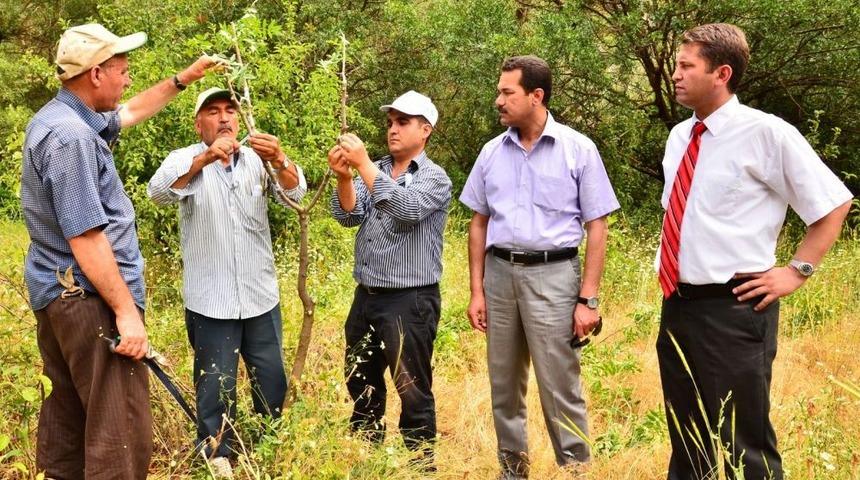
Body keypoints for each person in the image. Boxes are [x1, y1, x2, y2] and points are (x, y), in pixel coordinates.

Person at [655, 23, 853, 480]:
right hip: (678, 305)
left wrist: (797, 270)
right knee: (688, 441)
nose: (676, 75)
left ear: (721, 73)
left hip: (735, 308)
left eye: (686, 66)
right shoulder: (680, 136)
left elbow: (833, 204)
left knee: (744, 447)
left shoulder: (766, 133)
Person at [20, 23, 216, 479]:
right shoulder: (71, 138)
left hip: (61, 297)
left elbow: (129, 112)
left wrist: (183, 79)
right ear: (95, 74)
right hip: (92, 302)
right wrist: (126, 314)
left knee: (68, 423)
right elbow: (87, 237)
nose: (128, 79)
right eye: (122, 70)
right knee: (119, 436)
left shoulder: (59, 118)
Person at [460, 55, 620, 478]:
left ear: (536, 95)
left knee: (559, 385)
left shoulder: (577, 149)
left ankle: (575, 471)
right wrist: (476, 291)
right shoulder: (491, 152)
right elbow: (478, 223)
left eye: (507, 92)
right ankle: (512, 471)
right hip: (499, 276)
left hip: (554, 276)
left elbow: (597, 226)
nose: (498, 101)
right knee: (503, 384)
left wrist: (588, 299)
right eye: (498, 92)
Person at [147, 87, 306, 475]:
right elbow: (158, 193)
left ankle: (270, 449)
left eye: (230, 110)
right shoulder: (184, 159)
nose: (223, 118)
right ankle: (217, 457)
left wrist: (280, 159)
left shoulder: (258, 159)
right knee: (215, 387)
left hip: (260, 296)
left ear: (239, 118)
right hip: (210, 300)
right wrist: (205, 159)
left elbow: (297, 192)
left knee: (271, 380)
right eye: (213, 111)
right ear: (198, 123)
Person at [328, 91, 452, 463]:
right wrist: (344, 177)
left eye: (403, 122)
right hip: (366, 296)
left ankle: (420, 464)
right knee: (360, 377)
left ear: (425, 130)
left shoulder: (434, 177)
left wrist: (363, 165)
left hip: (409, 301)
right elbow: (348, 216)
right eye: (390, 122)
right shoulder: (377, 167)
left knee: (412, 387)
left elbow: (406, 208)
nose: (393, 129)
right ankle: (367, 455)